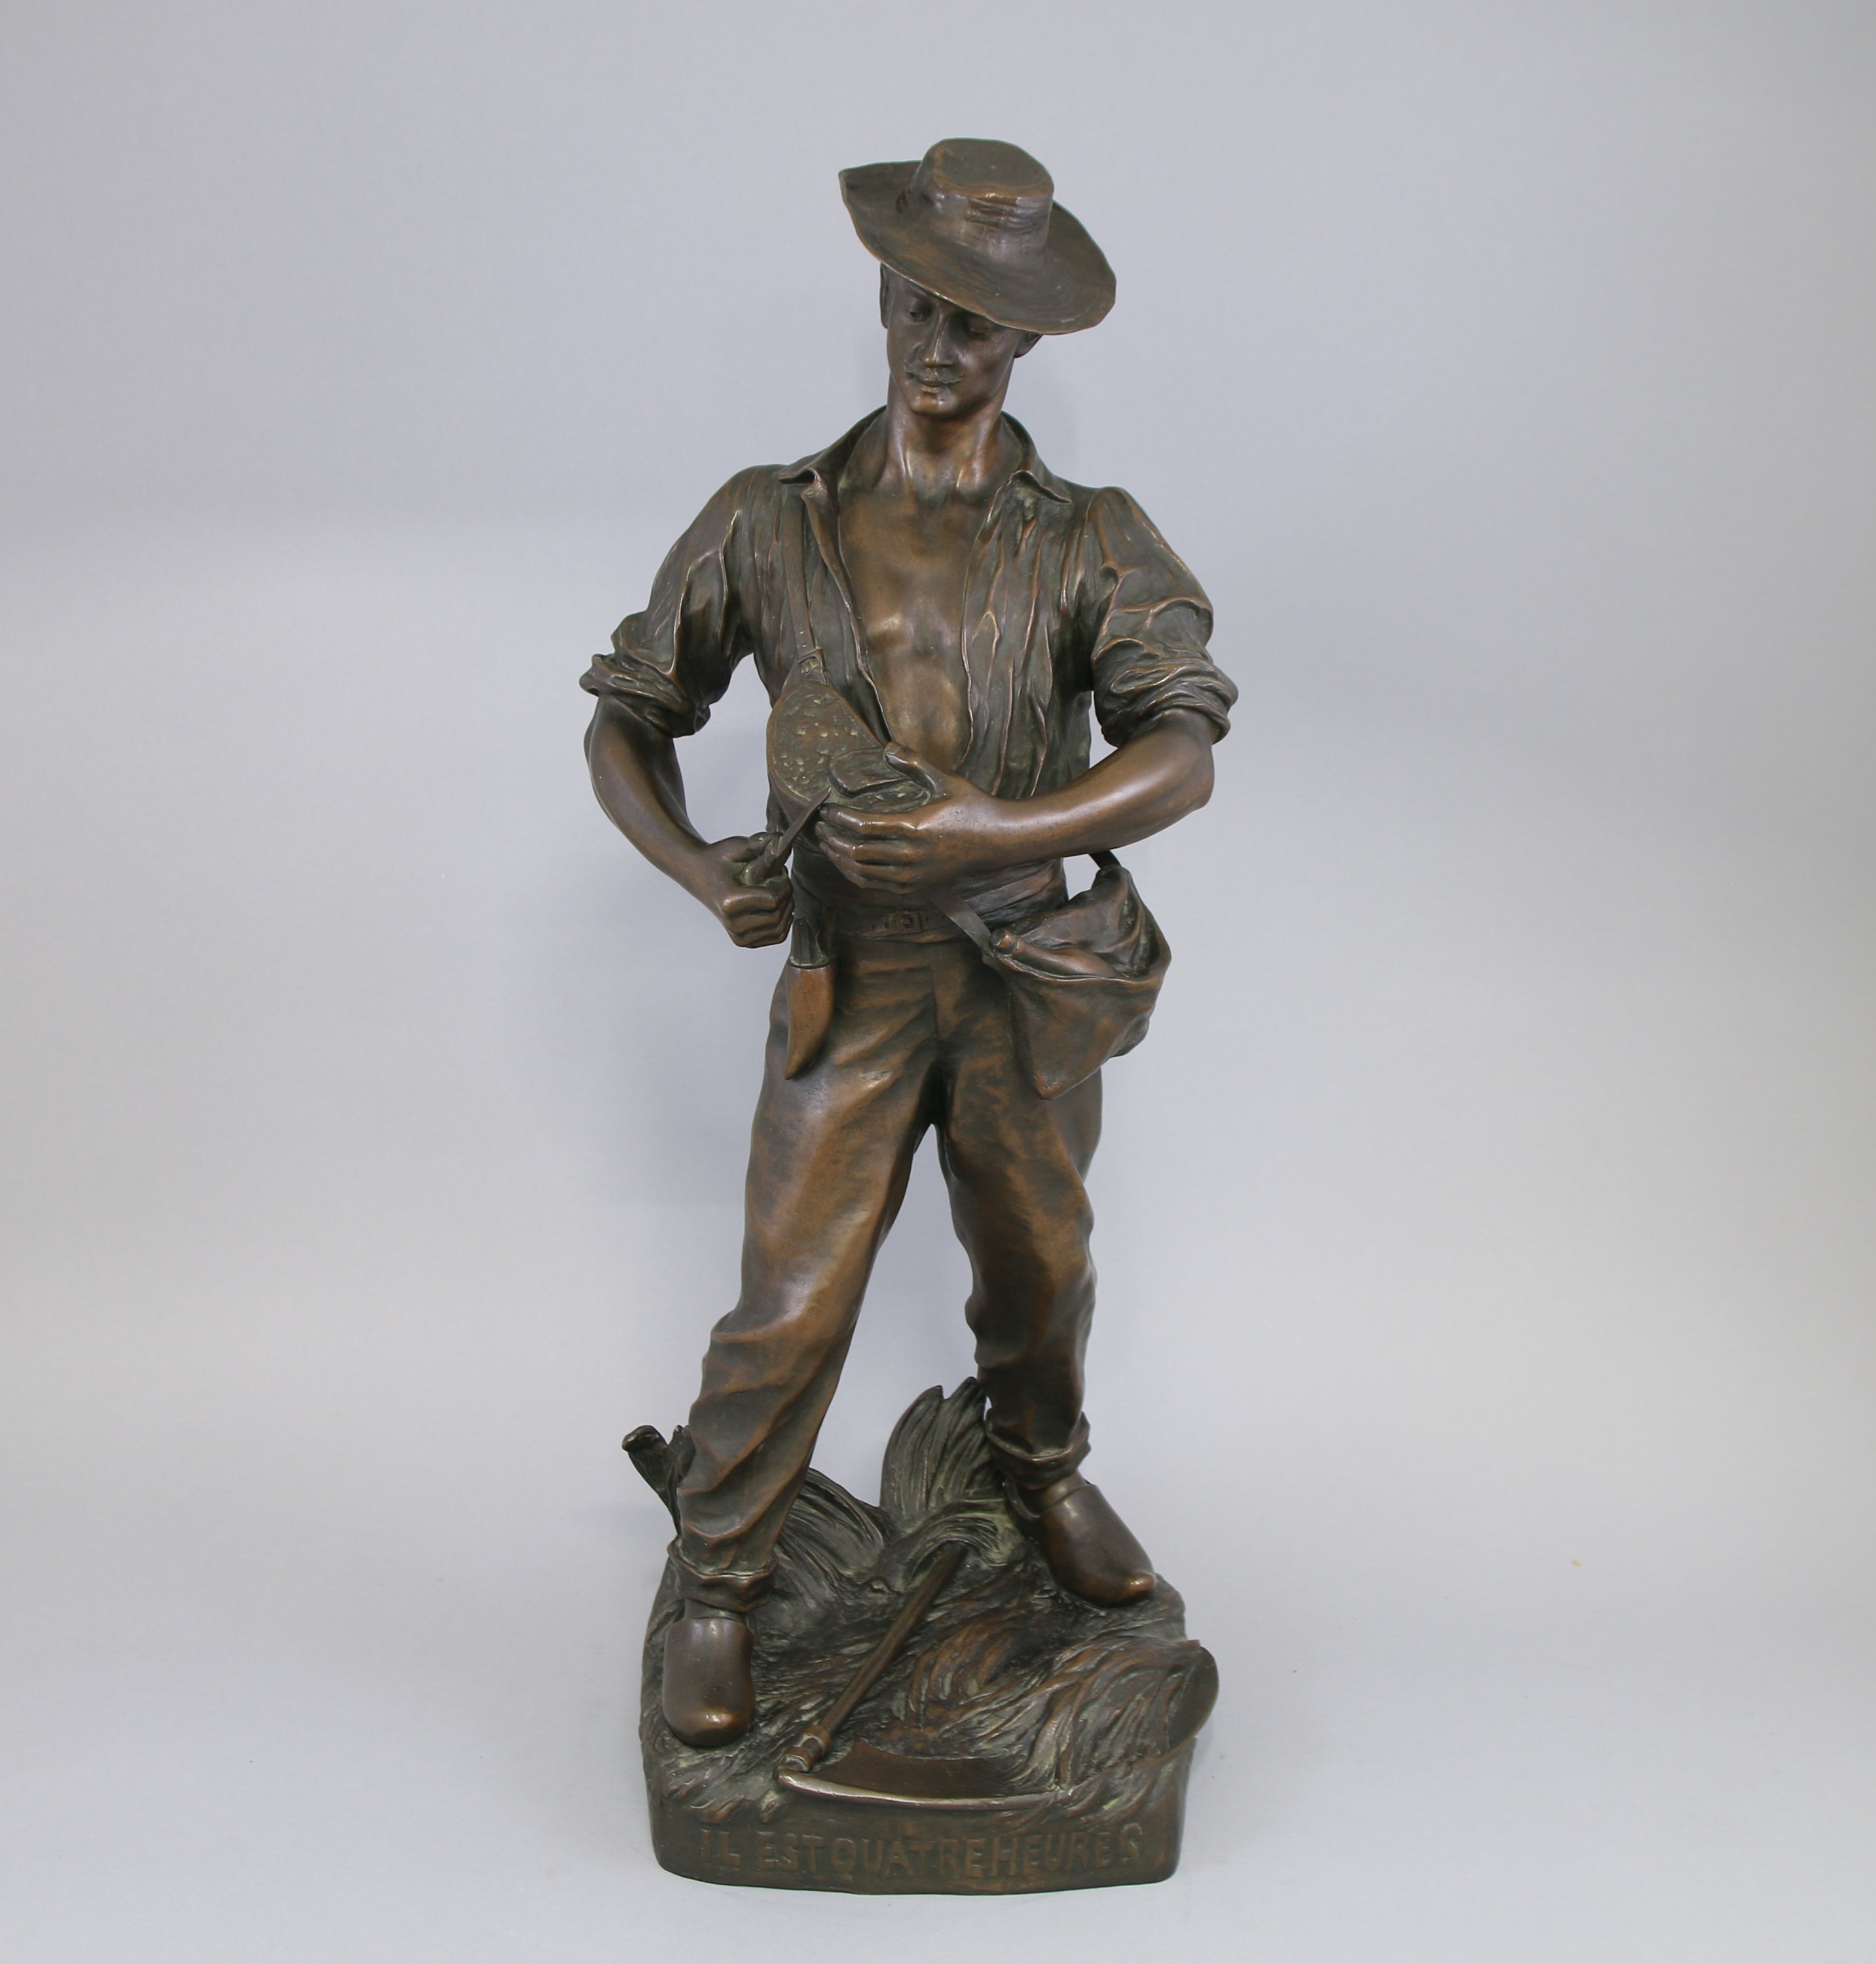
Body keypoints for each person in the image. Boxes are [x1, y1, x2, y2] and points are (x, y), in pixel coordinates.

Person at [583, 139, 1236, 1747]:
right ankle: (721, 1577)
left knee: (1042, 1264)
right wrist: (698, 871)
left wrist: (992, 833)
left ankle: (1041, 1471)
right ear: (881, 298)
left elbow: (1180, 751)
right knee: (792, 1295)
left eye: (979, 324)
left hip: (1025, 976)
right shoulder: (769, 521)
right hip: (850, 977)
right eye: (921, 308)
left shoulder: (1090, 535)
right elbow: (628, 717)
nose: (943, 347)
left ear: (1025, 341)